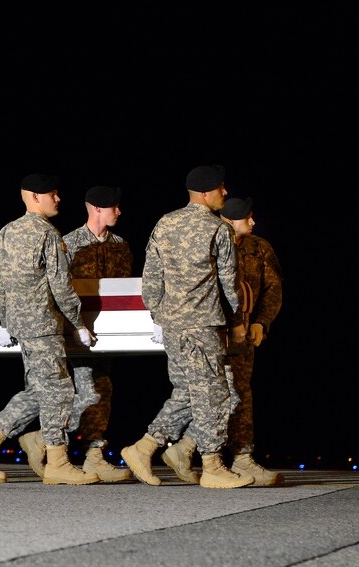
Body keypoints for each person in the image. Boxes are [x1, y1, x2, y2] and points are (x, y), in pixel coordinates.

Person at [121, 165, 254, 488]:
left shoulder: (165, 223)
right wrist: (237, 321)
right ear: (206, 193)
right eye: (221, 188)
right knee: (214, 393)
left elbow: (151, 278)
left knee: (188, 392)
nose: (225, 192)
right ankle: (212, 466)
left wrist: (159, 315)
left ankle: (144, 448)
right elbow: (229, 283)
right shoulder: (217, 229)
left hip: (172, 325)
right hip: (202, 323)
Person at [0, 173, 100, 485]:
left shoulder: (7, 232)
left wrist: (5, 320)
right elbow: (61, 285)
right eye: (53, 194)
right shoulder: (47, 234)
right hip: (43, 323)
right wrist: (77, 322)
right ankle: (57, 461)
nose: (58, 199)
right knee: (60, 390)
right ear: (35, 197)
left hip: (22, 325)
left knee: (39, 389)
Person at [16, 185, 133, 482]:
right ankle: (46, 439)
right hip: (74, 333)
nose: (118, 212)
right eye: (113, 207)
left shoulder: (121, 245)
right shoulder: (70, 243)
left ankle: (93, 455)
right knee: (87, 393)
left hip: (106, 334)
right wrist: (73, 327)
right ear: (96, 209)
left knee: (102, 390)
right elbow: (57, 290)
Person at [218, 196, 284, 485]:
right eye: (247, 218)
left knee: (242, 393)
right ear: (229, 221)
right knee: (209, 395)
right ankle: (207, 457)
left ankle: (243, 457)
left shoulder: (260, 248)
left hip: (243, 336)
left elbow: (273, 289)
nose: (253, 222)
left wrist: (261, 322)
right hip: (211, 334)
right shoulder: (212, 243)